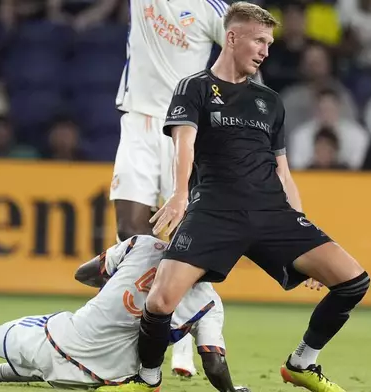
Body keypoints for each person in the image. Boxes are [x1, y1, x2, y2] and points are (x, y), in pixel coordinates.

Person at [105, 3, 371, 392]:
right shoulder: (193, 88)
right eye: (259, 41)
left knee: (353, 281)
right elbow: (184, 144)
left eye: (270, 42)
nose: (266, 50)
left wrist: (305, 231)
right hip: (214, 210)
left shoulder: (269, 101)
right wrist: (180, 195)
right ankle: (147, 379)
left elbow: (284, 173)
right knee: (160, 301)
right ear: (231, 38)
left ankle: (302, 363)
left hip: (271, 214)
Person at [0, 236, 249, 392]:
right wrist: (233, 391)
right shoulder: (210, 303)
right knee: (41, 367)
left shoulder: (144, 244)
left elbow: (83, 274)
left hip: (61, 340)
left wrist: (117, 284)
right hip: (106, 379)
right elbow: (213, 366)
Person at [111, 0, 229, 377]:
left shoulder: (213, 8)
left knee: (185, 240)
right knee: (130, 232)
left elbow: (241, 49)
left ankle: (180, 338)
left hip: (185, 128)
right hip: (139, 118)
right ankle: (176, 330)